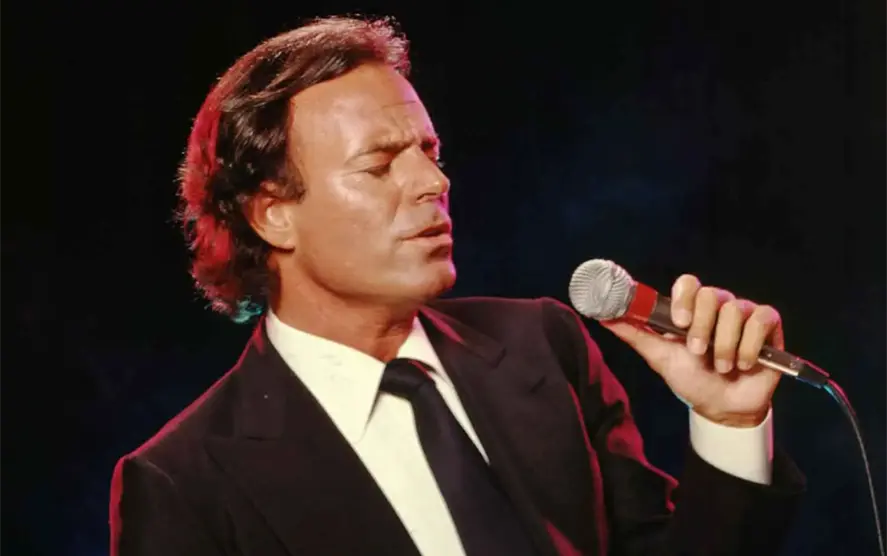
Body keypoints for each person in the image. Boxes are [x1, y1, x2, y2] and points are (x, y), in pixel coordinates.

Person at [109, 16, 804, 556]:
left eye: (429, 152)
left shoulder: (542, 345)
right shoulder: (182, 481)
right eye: (379, 165)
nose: (433, 182)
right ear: (272, 215)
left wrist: (729, 424)